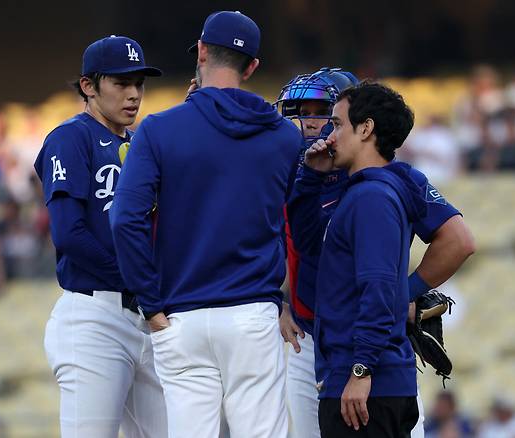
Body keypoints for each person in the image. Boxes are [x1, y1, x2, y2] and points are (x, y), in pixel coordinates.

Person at [110, 10, 302, 438]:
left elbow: (125, 220)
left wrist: (150, 303)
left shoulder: (158, 130)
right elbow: (294, 224)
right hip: (252, 310)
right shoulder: (284, 136)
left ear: (200, 51)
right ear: (252, 67)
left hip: (181, 314)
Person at [277, 69, 475, 438]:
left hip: (367, 348)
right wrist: (281, 301)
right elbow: (294, 243)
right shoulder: (302, 173)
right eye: (298, 109)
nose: (307, 123)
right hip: (314, 340)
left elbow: (458, 241)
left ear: (362, 127)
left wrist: (404, 295)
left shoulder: (385, 184)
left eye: (323, 113)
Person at [33, 35, 166, 438]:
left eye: (139, 83)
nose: (133, 94)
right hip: (95, 318)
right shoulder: (71, 137)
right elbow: (69, 234)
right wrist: (139, 284)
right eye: (121, 83)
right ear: (88, 86)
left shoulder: (140, 143)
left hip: (144, 317)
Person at [294, 81, 424, 437]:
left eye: (336, 124)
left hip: (366, 385)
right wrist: (310, 178)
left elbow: (379, 288)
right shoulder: (366, 193)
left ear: (365, 129)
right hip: (363, 380)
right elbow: (309, 245)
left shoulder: (371, 198)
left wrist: (361, 369)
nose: (328, 135)